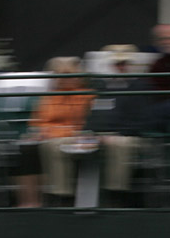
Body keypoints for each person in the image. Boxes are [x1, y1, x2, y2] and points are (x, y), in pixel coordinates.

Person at [14, 57, 94, 207]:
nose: (63, 78)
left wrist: (54, 132)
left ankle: (60, 199)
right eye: (58, 74)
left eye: (67, 74)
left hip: (74, 138)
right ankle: (30, 202)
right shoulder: (49, 97)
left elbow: (83, 125)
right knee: (26, 149)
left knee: (53, 146)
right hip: (49, 137)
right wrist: (41, 133)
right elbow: (39, 122)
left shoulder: (86, 96)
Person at [85, 45, 155, 204]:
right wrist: (91, 132)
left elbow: (143, 121)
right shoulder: (101, 88)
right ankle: (69, 198)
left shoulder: (141, 87)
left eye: (124, 63)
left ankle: (116, 197)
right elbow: (93, 116)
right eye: (117, 64)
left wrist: (116, 134)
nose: (121, 67)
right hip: (103, 135)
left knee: (118, 144)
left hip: (131, 137)